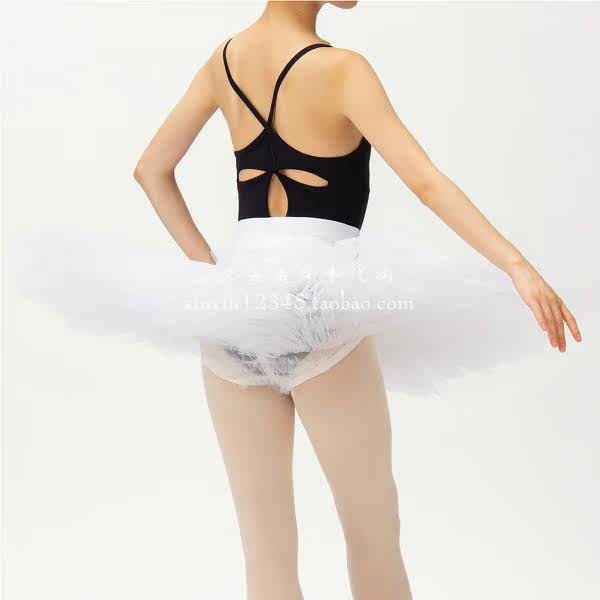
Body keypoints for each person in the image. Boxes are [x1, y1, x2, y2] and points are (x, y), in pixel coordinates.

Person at [130, 2, 582, 599]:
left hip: (233, 313)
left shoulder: (225, 60)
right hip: (319, 308)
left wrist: (210, 272)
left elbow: (151, 169)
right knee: (371, 525)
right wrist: (517, 266)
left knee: (264, 544)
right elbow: (424, 181)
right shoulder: (342, 69)